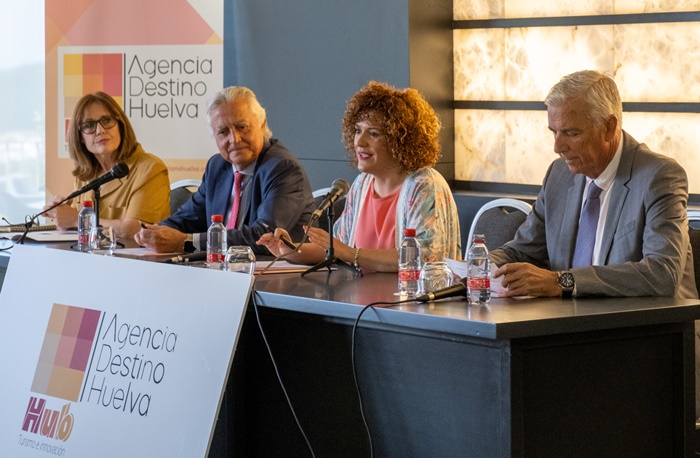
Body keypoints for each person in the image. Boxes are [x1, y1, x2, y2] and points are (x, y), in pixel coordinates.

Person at [490, 69, 697, 299]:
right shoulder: (559, 175)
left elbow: (662, 274)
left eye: (571, 133)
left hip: (651, 330)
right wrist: (479, 267)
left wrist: (561, 282)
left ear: (608, 128)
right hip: (568, 326)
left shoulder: (658, 176)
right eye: (554, 132)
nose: (558, 147)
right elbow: (520, 252)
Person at [257, 81, 461, 271]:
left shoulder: (424, 185)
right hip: (362, 302)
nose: (359, 142)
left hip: (412, 305)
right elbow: (336, 248)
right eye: (357, 131)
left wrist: (352, 254)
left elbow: (424, 259)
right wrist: (290, 250)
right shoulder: (362, 185)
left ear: (400, 141)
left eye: (373, 133)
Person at [135, 86, 314, 255]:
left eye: (241, 127)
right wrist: (153, 233)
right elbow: (187, 219)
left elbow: (264, 237)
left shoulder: (283, 168)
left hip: (273, 276)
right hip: (222, 271)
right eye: (223, 132)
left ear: (262, 124)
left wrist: (186, 242)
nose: (234, 139)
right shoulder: (217, 166)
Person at [44, 92, 170, 239]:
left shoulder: (150, 169)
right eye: (89, 125)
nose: (100, 130)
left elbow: (136, 231)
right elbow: (77, 230)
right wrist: (60, 214)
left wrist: (77, 220)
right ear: (80, 138)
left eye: (107, 120)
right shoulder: (85, 175)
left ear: (120, 126)